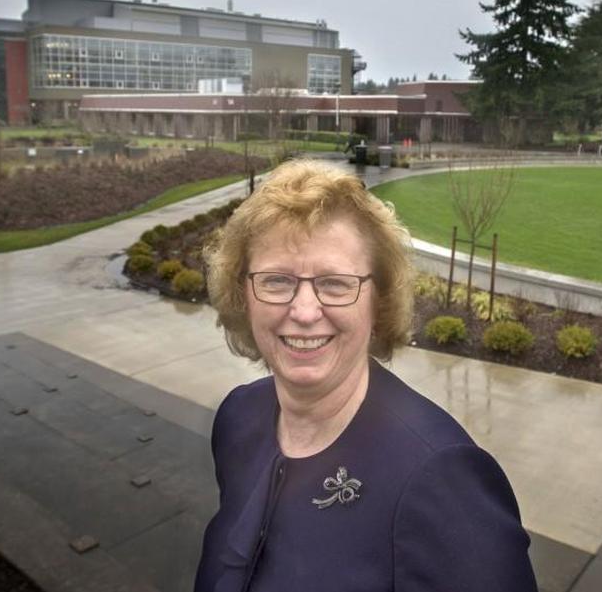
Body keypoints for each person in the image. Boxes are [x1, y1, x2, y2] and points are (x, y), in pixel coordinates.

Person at [194, 161, 537, 592]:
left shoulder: (443, 479)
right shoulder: (237, 418)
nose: (303, 312)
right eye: (277, 280)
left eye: (335, 284)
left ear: (378, 300)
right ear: (243, 294)